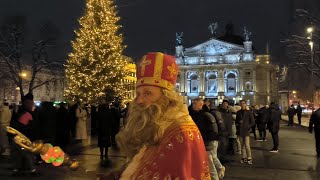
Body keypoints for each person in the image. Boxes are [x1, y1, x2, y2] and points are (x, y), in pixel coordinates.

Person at [107, 52, 210, 179]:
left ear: (166, 97)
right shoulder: (154, 124)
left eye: (147, 93)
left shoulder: (182, 132)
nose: (139, 100)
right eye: (138, 94)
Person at [190, 98, 225, 180]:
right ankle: (219, 170)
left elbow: (212, 130)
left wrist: (207, 142)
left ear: (200, 105)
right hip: (203, 142)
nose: (193, 105)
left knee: (209, 163)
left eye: (195, 104)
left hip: (207, 142)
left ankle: (215, 177)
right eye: (193, 103)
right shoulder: (197, 115)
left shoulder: (205, 115)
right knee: (211, 160)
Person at [10, 93, 37, 175]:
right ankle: (30, 169)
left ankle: (18, 168)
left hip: (20, 136)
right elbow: (23, 127)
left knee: (21, 153)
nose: (32, 105)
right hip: (23, 137)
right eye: (31, 103)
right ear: (27, 103)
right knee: (26, 153)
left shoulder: (21, 111)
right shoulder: (26, 114)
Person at [236, 100, 255, 165]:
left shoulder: (249, 112)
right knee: (242, 145)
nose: (242, 105)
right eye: (241, 104)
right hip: (241, 130)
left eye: (244, 103)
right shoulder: (238, 112)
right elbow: (236, 121)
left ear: (246, 104)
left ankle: (249, 157)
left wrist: (248, 126)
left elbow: (253, 122)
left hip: (246, 130)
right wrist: (238, 123)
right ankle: (243, 157)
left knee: (247, 145)